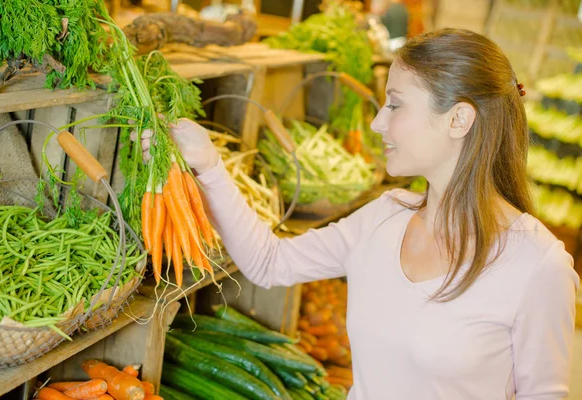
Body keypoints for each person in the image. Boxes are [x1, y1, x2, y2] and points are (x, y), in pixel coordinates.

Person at [136, 28, 579, 399]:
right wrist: (208, 165)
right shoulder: (384, 218)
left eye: (396, 104)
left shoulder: (536, 266)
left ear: (458, 120)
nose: (376, 123)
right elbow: (269, 263)